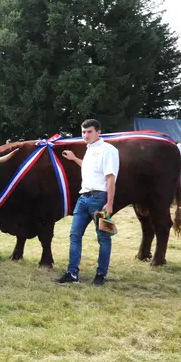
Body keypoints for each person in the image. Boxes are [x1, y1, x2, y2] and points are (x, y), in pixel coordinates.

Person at [58, 119, 119, 286]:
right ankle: (72, 273)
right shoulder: (90, 149)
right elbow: (90, 168)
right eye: (83, 132)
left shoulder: (108, 150)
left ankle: (100, 275)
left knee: (103, 237)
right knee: (74, 235)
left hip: (99, 199)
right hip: (83, 198)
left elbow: (110, 178)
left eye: (89, 131)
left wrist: (110, 203)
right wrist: (74, 159)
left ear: (98, 132)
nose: (85, 135)